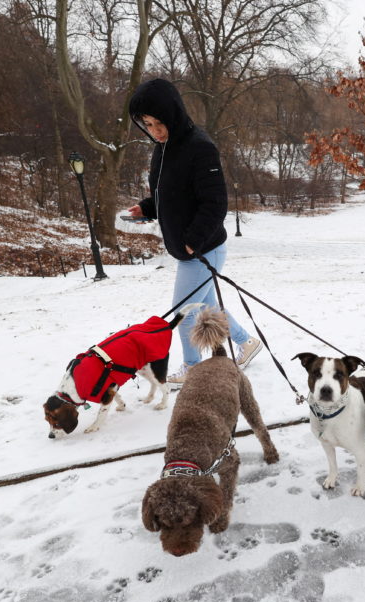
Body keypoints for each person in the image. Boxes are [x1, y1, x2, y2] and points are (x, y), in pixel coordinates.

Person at [127, 78, 261, 383]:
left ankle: (191, 367)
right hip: (187, 249)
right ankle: (246, 342)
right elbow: (170, 194)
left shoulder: (200, 148)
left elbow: (215, 203)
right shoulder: (162, 148)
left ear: (173, 113)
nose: (155, 130)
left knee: (184, 311)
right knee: (206, 305)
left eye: (159, 122)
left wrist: (192, 242)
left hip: (203, 249)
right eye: (147, 124)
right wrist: (147, 207)